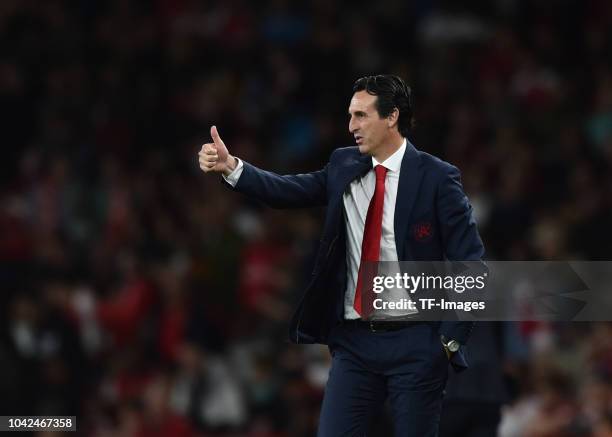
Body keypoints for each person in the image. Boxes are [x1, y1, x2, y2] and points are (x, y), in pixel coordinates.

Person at [198, 75, 485, 436]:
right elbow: (286, 191)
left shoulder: (438, 178)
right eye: (351, 116)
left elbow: (471, 264)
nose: (351, 126)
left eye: (361, 116)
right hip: (354, 343)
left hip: (416, 342)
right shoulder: (343, 165)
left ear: (392, 116)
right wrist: (232, 168)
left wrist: (449, 340)